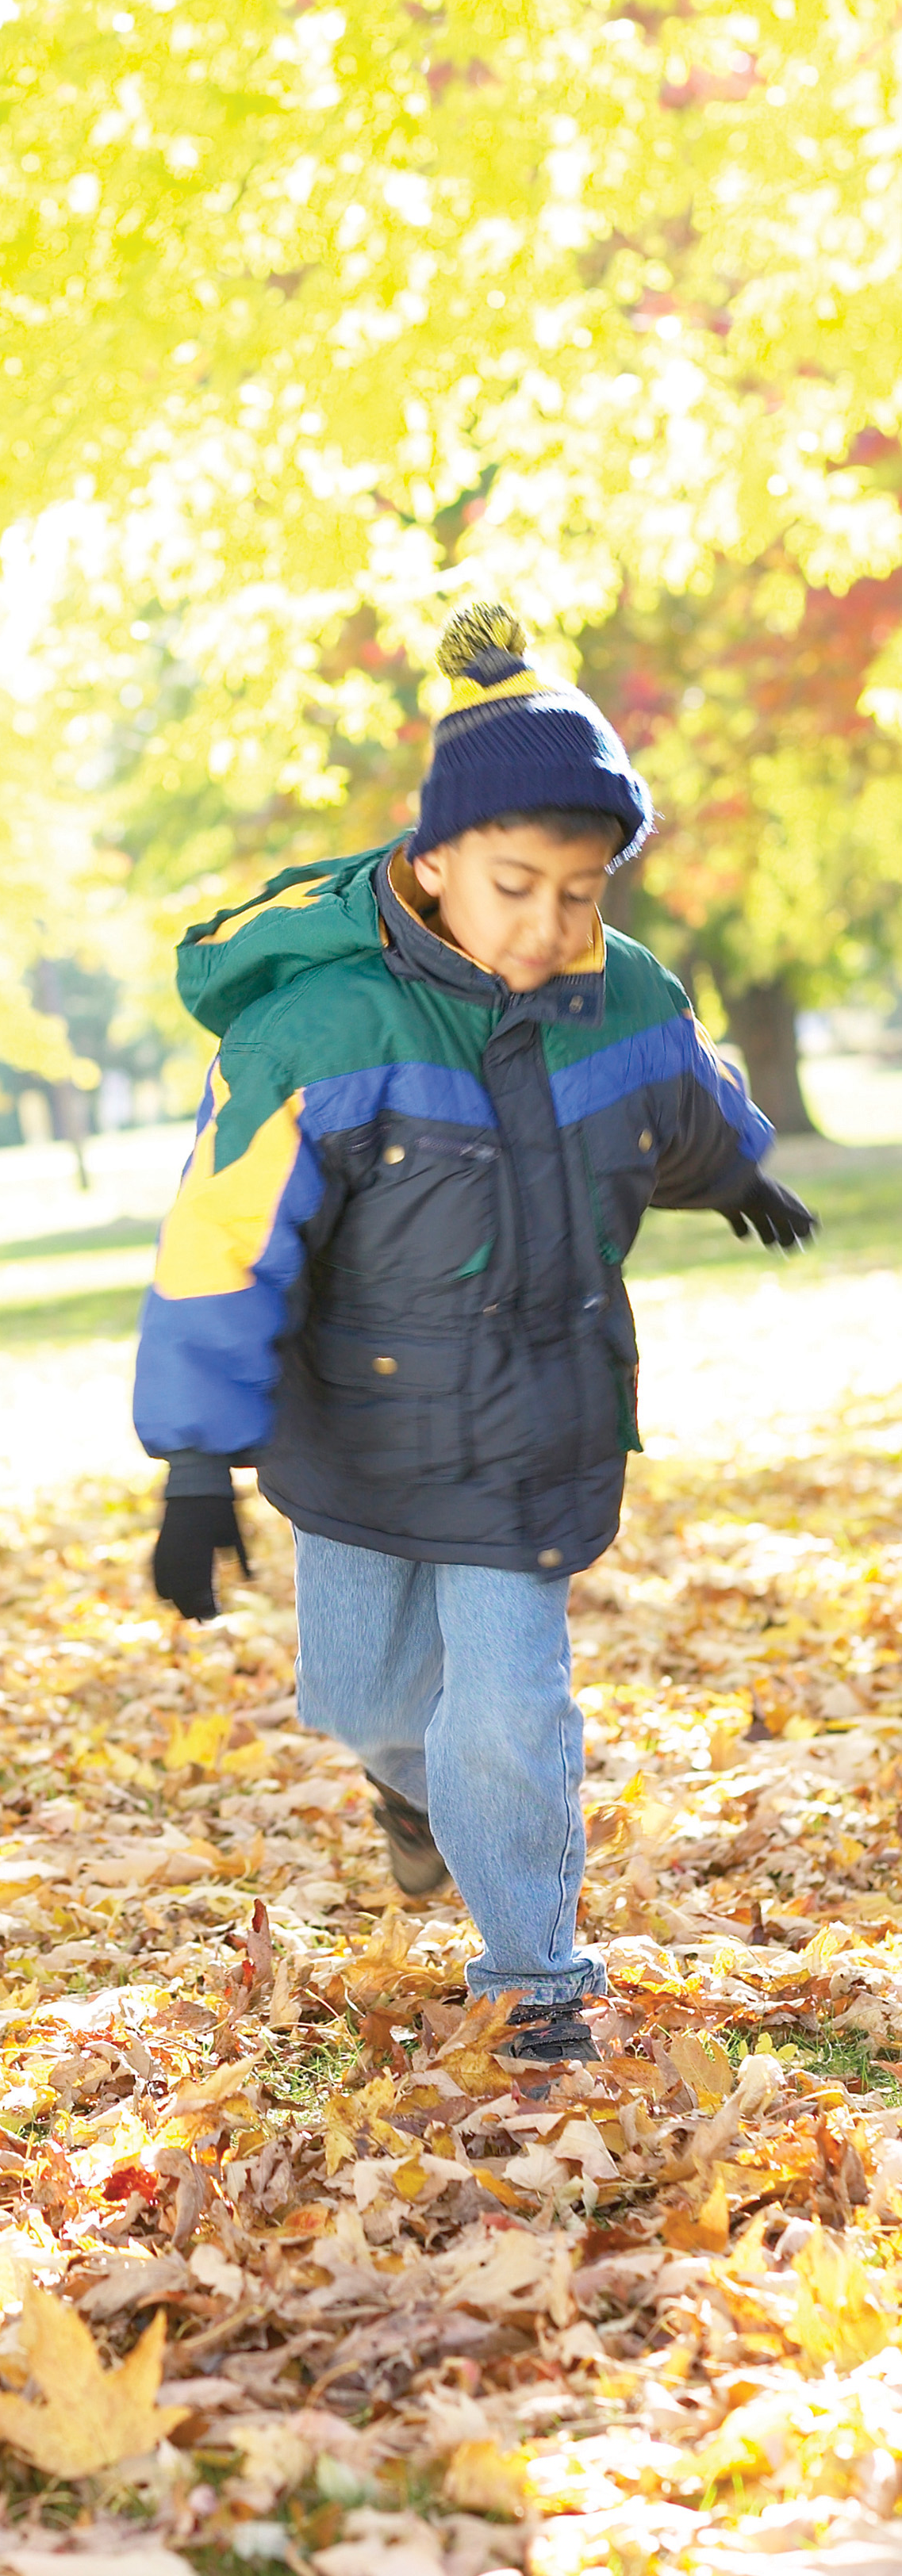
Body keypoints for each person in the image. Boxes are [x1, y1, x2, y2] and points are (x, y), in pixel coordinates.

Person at [133, 600, 815, 2067]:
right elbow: (219, 1243)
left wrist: (736, 1171)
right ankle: (413, 1789)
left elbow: (682, 1106)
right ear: (433, 862)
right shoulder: (317, 1033)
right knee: (364, 1697)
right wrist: (195, 1461)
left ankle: (536, 1971)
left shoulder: (620, 991)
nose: (552, 927)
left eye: (581, 892)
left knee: (509, 1707)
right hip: (356, 1433)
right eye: (515, 886)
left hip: (529, 1427)